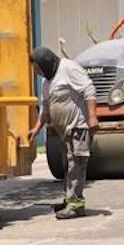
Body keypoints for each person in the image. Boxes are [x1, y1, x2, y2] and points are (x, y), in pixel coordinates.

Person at [26, 46, 98, 220]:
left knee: (76, 165)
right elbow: (46, 107)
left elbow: (88, 89)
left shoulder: (69, 68)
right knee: (68, 165)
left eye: (38, 68)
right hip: (64, 130)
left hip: (78, 126)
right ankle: (70, 200)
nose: (37, 72)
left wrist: (93, 116)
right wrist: (37, 128)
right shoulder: (47, 82)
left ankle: (76, 205)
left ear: (46, 63)